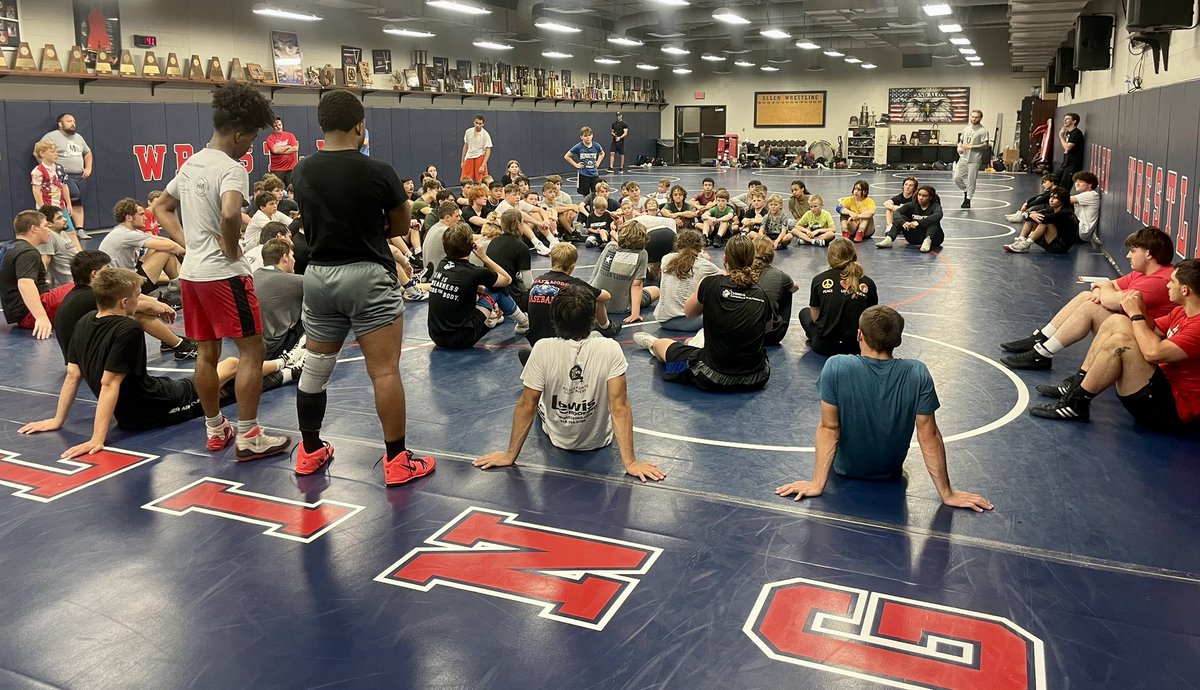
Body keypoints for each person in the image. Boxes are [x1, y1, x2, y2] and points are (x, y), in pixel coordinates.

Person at [286, 89, 435, 484]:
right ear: (359, 125)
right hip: (366, 274)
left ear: (322, 126)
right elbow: (401, 226)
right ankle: (397, 461)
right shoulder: (378, 170)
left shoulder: (300, 171)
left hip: (318, 276)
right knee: (384, 372)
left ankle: (310, 450)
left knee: (315, 368)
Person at [17, 268, 296, 458]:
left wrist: (57, 420)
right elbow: (109, 382)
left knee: (228, 374)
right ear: (125, 302)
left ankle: (285, 366)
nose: (141, 302)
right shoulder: (128, 330)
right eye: (139, 297)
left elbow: (73, 375)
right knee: (230, 371)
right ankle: (287, 364)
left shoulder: (84, 321)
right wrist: (97, 438)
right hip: (154, 408)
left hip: (140, 405)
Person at [152, 83, 290, 461]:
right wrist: (230, 247)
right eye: (252, 138)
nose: (251, 146)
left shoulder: (191, 162)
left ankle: (215, 429)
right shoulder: (232, 168)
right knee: (252, 351)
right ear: (238, 133)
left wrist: (187, 244)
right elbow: (231, 212)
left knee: (207, 353)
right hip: (224, 275)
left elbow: (162, 207)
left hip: (193, 275)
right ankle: (248, 435)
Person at [774, 305, 994, 511]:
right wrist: (947, 494)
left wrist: (817, 484)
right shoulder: (917, 373)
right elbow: (929, 435)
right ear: (897, 341)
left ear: (860, 335)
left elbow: (829, 428)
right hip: (889, 474)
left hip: (844, 472)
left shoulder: (837, 366)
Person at [473, 284, 665, 482]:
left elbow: (526, 405)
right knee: (606, 364)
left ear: (554, 318)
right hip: (599, 439)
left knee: (538, 385)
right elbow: (620, 407)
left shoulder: (543, 348)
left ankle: (534, 368)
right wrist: (630, 463)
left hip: (559, 438)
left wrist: (509, 455)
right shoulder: (611, 348)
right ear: (592, 319)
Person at [1029, 259, 1200, 433]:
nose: (1168, 286)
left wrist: (1135, 314)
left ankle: (1077, 403)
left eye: (1172, 282)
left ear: (1185, 290)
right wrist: (1138, 311)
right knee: (1117, 321)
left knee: (1121, 343)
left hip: (1171, 411)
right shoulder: (1181, 311)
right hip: (1160, 387)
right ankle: (1079, 384)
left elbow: (1153, 353)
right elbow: (1151, 329)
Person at [1001, 226, 1175, 370]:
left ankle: (1042, 354)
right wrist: (1105, 289)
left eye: (1133, 251)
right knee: (1087, 296)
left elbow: (1109, 297)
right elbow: (1111, 284)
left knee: (1091, 307)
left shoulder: (1159, 281)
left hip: (1143, 344)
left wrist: (1104, 290)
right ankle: (1041, 340)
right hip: (1134, 330)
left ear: (1149, 254)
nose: (1128, 256)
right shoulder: (1144, 273)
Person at [632, 235, 771, 392]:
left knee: (664, 345)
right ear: (752, 260)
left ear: (725, 258)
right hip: (756, 377)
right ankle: (697, 341)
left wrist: (714, 302)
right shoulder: (761, 293)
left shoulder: (710, 283)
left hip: (713, 375)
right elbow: (766, 329)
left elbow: (689, 312)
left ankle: (652, 343)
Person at [53, 249, 195, 361]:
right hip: (86, 358)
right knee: (136, 315)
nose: (111, 271)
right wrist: (160, 307)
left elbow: (135, 296)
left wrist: (158, 304)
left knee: (133, 310)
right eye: (107, 268)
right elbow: (141, 307)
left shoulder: (84, 290)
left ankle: (170, 341)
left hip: (80, 354)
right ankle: (181, 346)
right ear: (95, 274)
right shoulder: (91, 296)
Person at [428, 223, 524, 348]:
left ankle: (491, 318)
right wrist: (484, 257)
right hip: (461, 339)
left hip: (436, 336)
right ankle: (524, 323)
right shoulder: (474, 272)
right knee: (497, 289)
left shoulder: (443, 264)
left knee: (480, 289)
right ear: (471, 245)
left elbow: (464, 286)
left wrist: (481, 290)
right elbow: (507, 279)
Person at [524, 243, 619, 351]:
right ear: (572, 265)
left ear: (552, 260)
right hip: (564, 342)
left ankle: (538, 358)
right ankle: (607, 327)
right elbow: (606, 296)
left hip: (536, 342)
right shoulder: (575, 284)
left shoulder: (537, 281)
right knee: (597, 327)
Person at [2, 210, 75, 339]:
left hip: (19, 313)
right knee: (89, 284)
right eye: (46, 226)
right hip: (31, 313)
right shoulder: (28, 252)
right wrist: (41, 317)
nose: (49, 230)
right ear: (34, 229)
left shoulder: (6, 247)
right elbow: (25, 283)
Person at [800, 238, 879, 356]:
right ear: (854, 256)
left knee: (804, 313)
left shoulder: (819, 279)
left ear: (830, 258)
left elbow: (815, 317)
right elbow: (871, 318)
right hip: (856, 346)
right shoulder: (868, 283)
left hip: (825, 346)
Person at [98, 198, 185, 291]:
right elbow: (171, 246)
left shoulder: (127, 230)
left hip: (122, 276)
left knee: (159, 247)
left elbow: (162, 240)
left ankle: (176, 281)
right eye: (141, 214)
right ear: (129, 218)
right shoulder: (127, 234)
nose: (145, 218)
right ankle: (177, 283)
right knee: (165, 251)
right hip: (123, 285)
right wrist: (189, 253)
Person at [589, 220, 660, 323]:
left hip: (595, 300)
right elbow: (636, 285)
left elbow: (595, 273)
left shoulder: (610, 246)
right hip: (620, 307)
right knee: (656, 290)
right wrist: (635, 313)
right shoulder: (641, 254)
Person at [655, 229, 720, 332]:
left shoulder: (666, 259)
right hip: (691, 322)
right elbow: (726, 277)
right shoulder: (703, 264)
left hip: (664, 321)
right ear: (700, 247)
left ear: (678, 245)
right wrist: (706, 259)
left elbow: (685, 259)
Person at [252, 238, 306, 362]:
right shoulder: (293, 281)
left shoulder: (253, 276)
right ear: (284, 258)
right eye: (292, 255)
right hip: (276, 348)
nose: (294, 260)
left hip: (253, 347)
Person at [41, 113, 92, 236]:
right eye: (69, 121)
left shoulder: (78, 137)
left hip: (80, 175)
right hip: (64, 175)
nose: (73, 123)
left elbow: (88, 153)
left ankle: (80, 229)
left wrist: (88, 167)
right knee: (74, 194)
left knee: (79, 202)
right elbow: (38, 152)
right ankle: (64, 228)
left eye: (74, 121)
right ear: (60, 124)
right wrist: (48, 168)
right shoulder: (51, 136)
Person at [1002, 186, 1076, 254]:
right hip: (1050, 242)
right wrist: (1030, 214)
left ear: (1062, 201)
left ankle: (1026, 244)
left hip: (1060, 247)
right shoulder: (1051, 210)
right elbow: (1026, 217)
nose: (1051, 200)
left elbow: (1045, 219)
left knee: (1044, 222)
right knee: (1031, 220)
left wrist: (1031, 215)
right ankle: (1021, 241)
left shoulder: (1065, 212)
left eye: (1055, 198)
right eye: (1051, 197)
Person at [753, 237, 799, 346]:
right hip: (770, 336)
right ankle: (778, 322)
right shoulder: (778, 274)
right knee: (788, 288)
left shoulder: (742, 272)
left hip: (746, 333)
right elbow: (795, 288)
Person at [877, 185, 945, 253]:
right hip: (914, 238)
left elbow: (938, 215)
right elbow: (897, 212)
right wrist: (903, 222)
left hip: (934, 239)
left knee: (934, 221)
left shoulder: (935, 206)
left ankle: (927, 241)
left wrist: (919, 222)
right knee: (902, 217)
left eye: (924, 196)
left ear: (930, 197)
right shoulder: (912, 205)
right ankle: (889, 238)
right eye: (919, 195)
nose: (921, 198)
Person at [953, 109, 989, 209]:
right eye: (972, 116)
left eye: (976, 117)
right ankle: (966, 191)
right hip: (963, 158)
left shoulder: (983, 131)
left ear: (980, 118)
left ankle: (968, 199)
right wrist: (959, 147)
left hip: (974, 159)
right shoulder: (966, 129)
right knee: (956, 177)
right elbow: (960, 141)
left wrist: (971, 147)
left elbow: (985, 145)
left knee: (971, 180)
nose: (974, 119)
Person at [37, 205, 80, 287]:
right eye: (59, 218)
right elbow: (45, 261)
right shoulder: (49, 236)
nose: (65, 219)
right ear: (49, 223)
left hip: (80, 277)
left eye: (63, 216)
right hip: (71, 285)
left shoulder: (62, 232)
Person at [565, 126, 604, 197]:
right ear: (581, 137)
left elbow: (602, 154)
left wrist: (598, 162)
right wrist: (576, 165)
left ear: (592, 135)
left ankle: (594, 207)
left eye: (589, 135)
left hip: (594, 174)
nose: (587, 137)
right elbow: (567, 156)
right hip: (583, 174)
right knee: (585, 194)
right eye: (585, 136)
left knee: (596, 193)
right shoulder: (579, 147)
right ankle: (586, 207)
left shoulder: (596, 145)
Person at [264, 117, 299, 188]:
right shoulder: (270, 138)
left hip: (291, 168)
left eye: (279, 125)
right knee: (278, 190)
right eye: (275, 126)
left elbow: (295, 148)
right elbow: (275, 150)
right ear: (273, 127)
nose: (278, 127)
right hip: (277, 170)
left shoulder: (290, 135)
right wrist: (288, 146)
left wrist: (280, 151)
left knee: (292, 189)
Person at [1069, 171, 1101, 243]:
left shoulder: (1091, 195)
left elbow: (1062, 199)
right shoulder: (1083, 195)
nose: (1077, 184)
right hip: (1079, 229)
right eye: (1076, 181)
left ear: (1089, 185)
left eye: (1081, 182)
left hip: (1082, 232)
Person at [461, 114, 493, 182]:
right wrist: (462, 161)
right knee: (466, 180)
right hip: (469, 157)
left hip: (480, 157)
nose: (478, 125)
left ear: (483, 124)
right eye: (476, 123)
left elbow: (488, 150)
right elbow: (466, 146)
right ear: (474, 122)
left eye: (480, 123)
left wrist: (483, 165)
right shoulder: (468, 131)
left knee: (481, 180)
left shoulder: (485, 134)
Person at [1056, 112, 1084, 188]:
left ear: (1074, 121)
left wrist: (1061, 136)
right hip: (1066, 162)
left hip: (1073, 164)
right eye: (1064, 119)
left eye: (1067, 119)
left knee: (1065, 186)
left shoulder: (1076, 133)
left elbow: (1067, 147)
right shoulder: (1069, 133)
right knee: (1055, 180)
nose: (1064, 121)